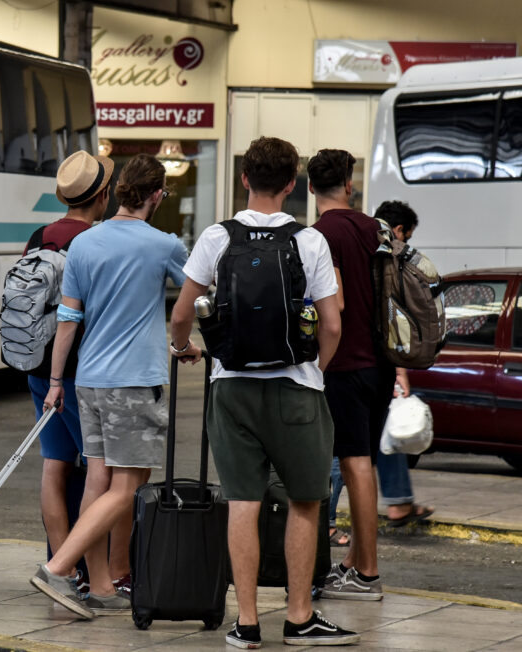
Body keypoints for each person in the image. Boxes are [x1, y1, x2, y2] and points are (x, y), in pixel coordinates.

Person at [172, 136, 358, 647]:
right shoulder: (309, 241)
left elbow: (182, 312)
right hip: (297, 389)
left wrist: (183, 346)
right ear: (292, 184)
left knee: (242, 502)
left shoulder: (217, 237)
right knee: (304, 502)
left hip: (231, 389)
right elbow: (333, 323)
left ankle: (247, 623)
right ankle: (299, 618)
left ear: (244, 179)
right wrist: (315, 368)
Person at [30, 153, 188, 619]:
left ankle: (98, 583)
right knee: (127, 485)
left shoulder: (84, 244)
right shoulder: (164, 245)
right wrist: (185, 344)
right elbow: (195, 299)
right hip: (134, 381)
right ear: (157, 195)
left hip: (89, 380)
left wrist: (56, 380)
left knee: (98, 482)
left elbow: (67, 318)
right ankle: (58, 569)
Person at [22, 150, 115, 595]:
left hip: (37, 363)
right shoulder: (96, 242)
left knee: (54, 464)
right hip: (81, 368)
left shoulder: (40, 235)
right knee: (102, 474)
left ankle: (60, 567)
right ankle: (84, 572)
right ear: (101, 197)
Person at [310, 148, 392, 601]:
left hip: (346, 362)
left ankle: (367, 575)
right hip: (381, 360)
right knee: (365, 465)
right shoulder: (373, 226)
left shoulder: (321, 234)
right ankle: (353, 563)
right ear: (348, 183)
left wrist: (319, 364)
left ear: (308, 187)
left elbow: (333, 306)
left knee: (353, 463)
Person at [372, 199, 435, 526]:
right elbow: (391, 316)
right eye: (406, 237)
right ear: (398, 230)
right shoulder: (387, 258)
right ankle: (326, 518)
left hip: (348, 359)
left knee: (386, 431)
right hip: (372, 361)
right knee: (347, 452)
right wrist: (400, 370)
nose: (406, 244)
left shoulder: (358, 247)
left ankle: (398, 502)